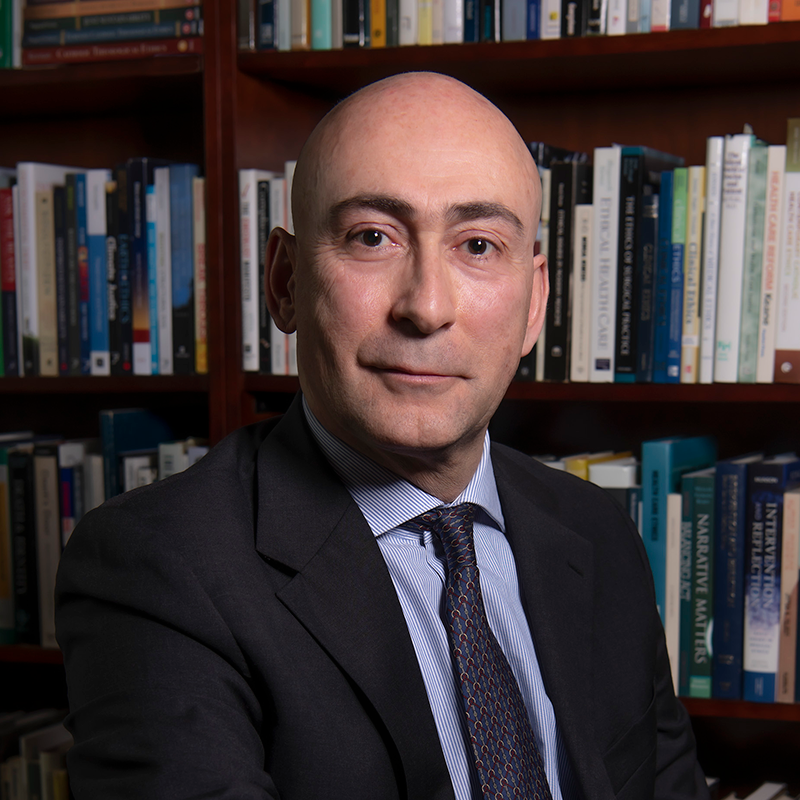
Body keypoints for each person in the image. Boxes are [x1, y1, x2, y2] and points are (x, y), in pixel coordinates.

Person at [56, 72, 709, 800]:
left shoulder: (597, 530)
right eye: (373, 237)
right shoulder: (158, 568)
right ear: (285, 283)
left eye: (479, 245)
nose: (426, 307)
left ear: (534, 306)